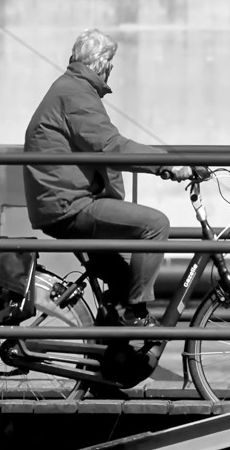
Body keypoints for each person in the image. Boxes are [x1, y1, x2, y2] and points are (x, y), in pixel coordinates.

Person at [21, 29, 206, 327]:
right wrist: (168, 165)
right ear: (102, 64)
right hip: (69, 205)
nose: (111, 72)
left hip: (64, 201)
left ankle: (115, 342)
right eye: (111, 65)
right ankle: (134, 315)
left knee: (123, 278)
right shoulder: (76, 95)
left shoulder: (72, 89)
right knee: (155, 225)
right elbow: (112, 147)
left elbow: (103, 149)